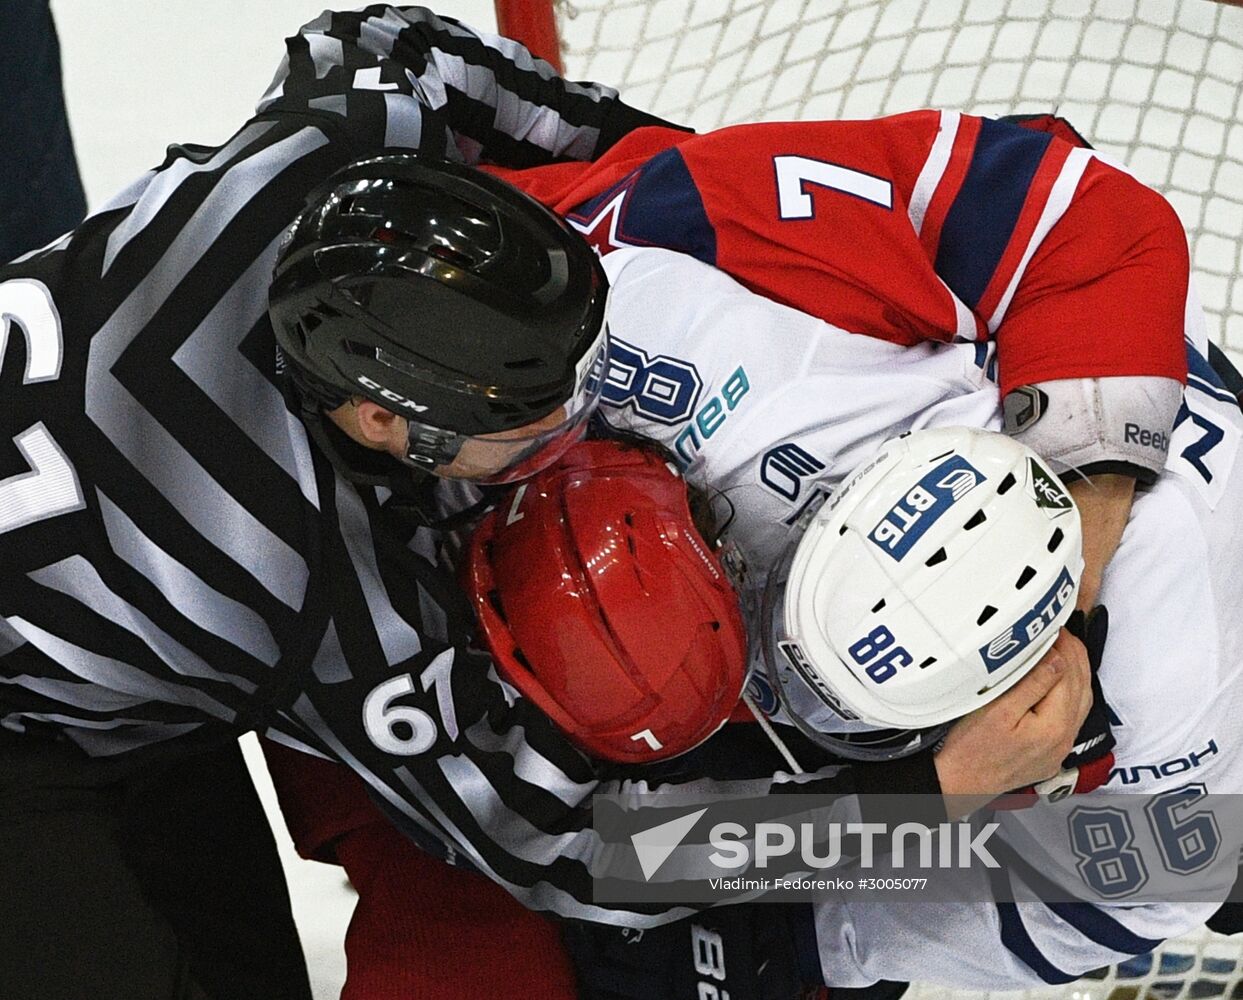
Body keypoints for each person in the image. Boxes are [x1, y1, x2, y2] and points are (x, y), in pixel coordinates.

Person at [0, 9, 1092, 998]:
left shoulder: (341, 142)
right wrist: (928, 798)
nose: (582, 431)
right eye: (529, 425)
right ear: (384, 422)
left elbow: (402, 46)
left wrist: (709, 197)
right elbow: (585, 844)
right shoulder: (312, 578)